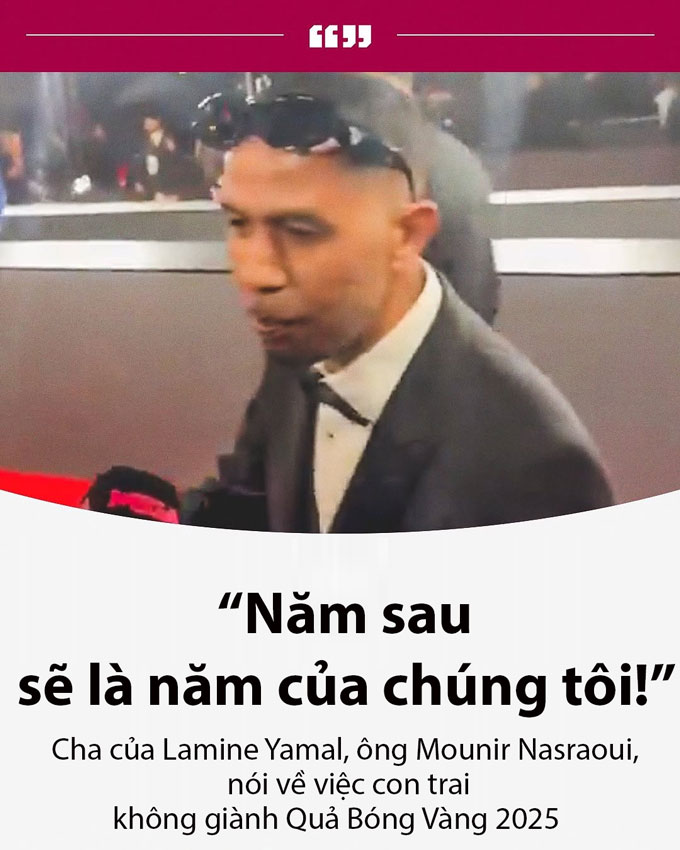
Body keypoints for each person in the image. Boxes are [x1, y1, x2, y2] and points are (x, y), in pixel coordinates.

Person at [186, 84, 613, 533]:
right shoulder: (303, 345)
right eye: (238, 222)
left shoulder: (532, 463)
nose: (256, 273)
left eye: (300, 231)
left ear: (409, 233)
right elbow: (251, 501)